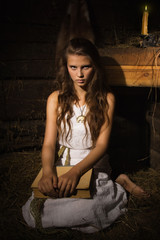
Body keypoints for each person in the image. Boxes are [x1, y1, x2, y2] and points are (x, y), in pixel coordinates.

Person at [22, 38, 148, 233]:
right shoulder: (55, 99)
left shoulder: (106, 99)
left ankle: (119, 182)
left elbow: (101, 146)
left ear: (95, 66)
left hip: (92, 164)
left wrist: (76, 172)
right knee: (38, 212)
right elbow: (48, 144)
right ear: (66, 67)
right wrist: (48, 172)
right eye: (73, 67)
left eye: (85, 67)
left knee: (87, 210)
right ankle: (117, 180)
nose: (79, 74)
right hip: (64, 163)